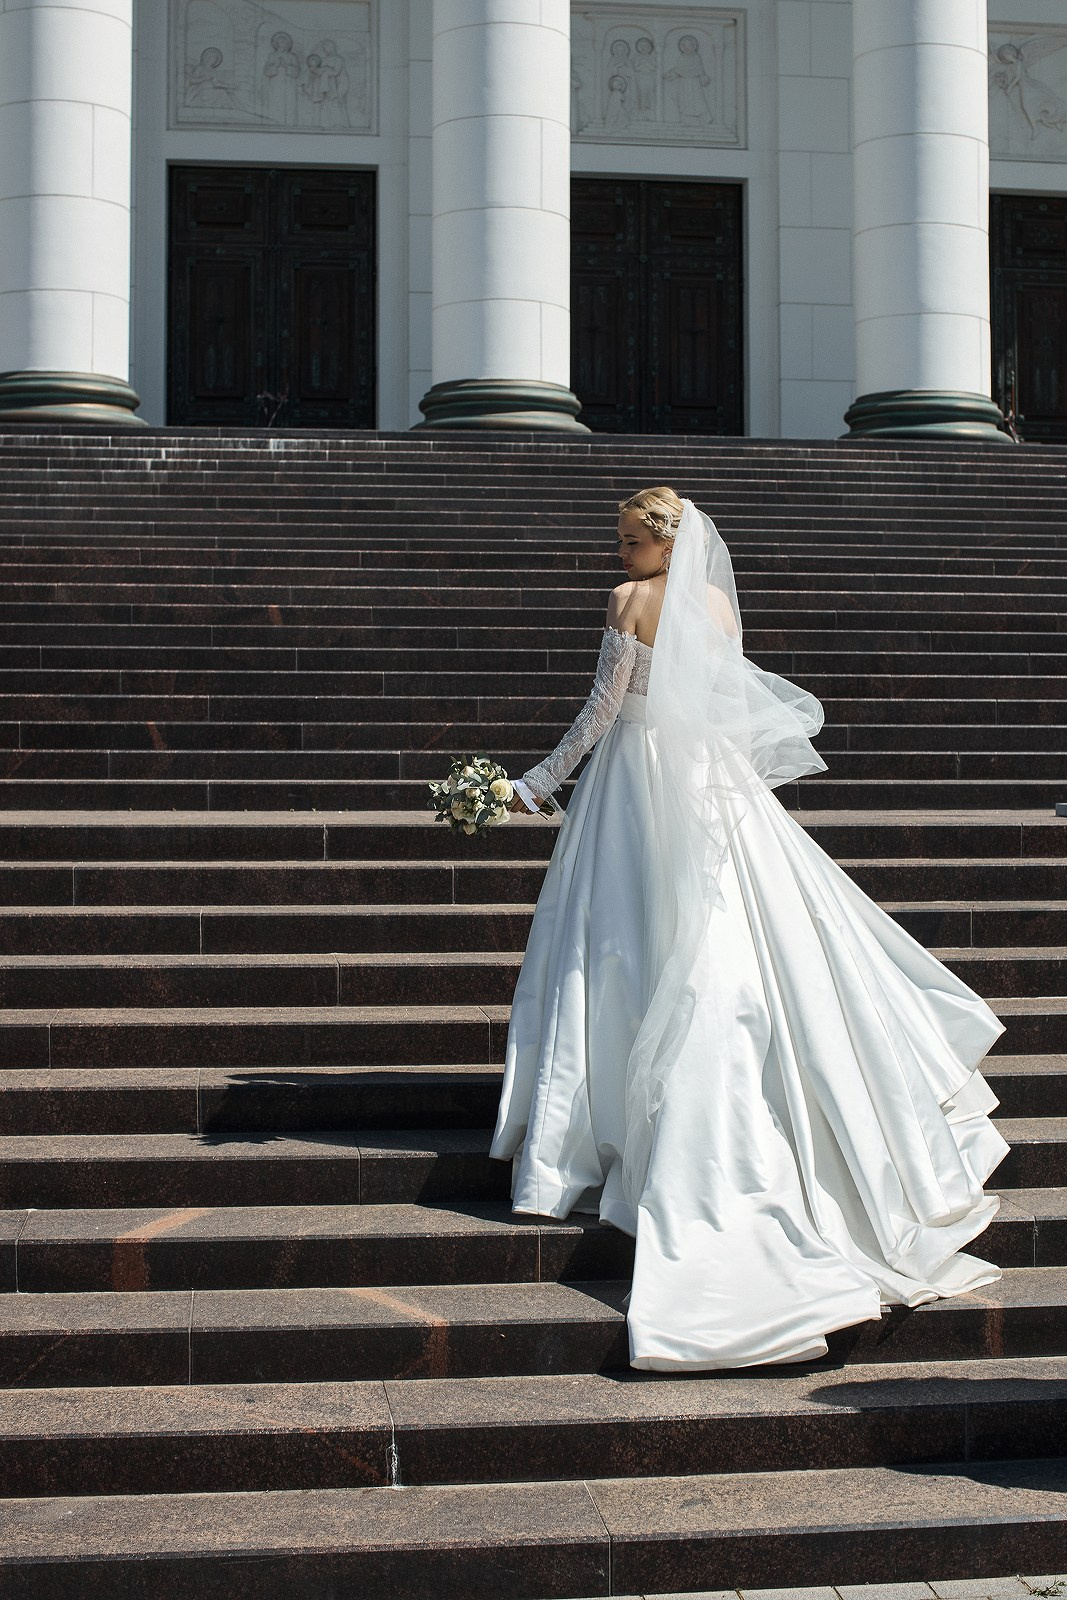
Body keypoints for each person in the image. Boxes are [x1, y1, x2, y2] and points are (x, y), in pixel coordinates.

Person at [492, 487, 1008, 1372]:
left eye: (629, 540)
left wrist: (532, 785)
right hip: (707, 781)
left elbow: (601, 711)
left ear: (663, 542)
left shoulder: (626, 605)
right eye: (618, 542)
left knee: (609, 946)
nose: (618, 555)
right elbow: (722, 700)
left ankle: (585, 1134)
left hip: (631, 779)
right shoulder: (715, 602)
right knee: (733, 931)